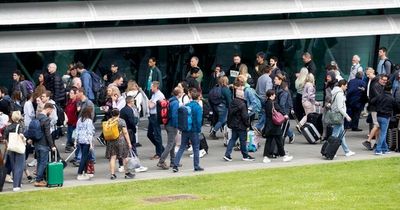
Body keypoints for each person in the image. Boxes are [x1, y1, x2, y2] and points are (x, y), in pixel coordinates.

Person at [173, 90, 204, 172]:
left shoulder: (187, 105)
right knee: (196, 148)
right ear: (198, 98)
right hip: (194, 130)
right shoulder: (198, 107)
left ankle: (175, 164)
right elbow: (198, 120)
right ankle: (196, 166)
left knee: (182, 147)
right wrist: (198, 130)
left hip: (185, 129)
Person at [223, 88, 254, 161]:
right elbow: (245, 117)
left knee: (232, 139)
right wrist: (247, 125)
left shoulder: (232, 102)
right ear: (242, 96)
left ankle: (227, 154)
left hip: (233, 124)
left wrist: (229, 123)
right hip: (241, 125)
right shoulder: (243, 104)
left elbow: (230, 114)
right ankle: (245, 155)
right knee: (243, 140)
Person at [262, 89, 293, 163]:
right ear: (271, 95)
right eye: (274, 94)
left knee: (269, 141)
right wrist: (285, 115)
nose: (275, 95)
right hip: (274, 126)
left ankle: (266, 157)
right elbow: (279, 109)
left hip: (269, 125)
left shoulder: (266, 103)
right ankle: (284, 156)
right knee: (279, 141)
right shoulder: (273, 103)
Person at [105, 109, 135, 180]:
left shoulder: (109, 121)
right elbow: (125, 132)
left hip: (111, 141)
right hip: (120, 141)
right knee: (124, 157)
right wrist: (129, 143)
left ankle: (112, 174)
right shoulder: (121, 121)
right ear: (119, 114)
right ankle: (126, 173)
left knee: (113, 158)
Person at [157, 87, 181, 169]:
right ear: (179, 94)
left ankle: (173, 161)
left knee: (173, 143)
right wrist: (177, 126)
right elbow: (174, 115)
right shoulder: (176, 103)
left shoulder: (170, 100)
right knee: (170, 144)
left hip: (167, 124)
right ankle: (161, 161)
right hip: (172, 125)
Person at [330, 80, 355, 157]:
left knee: (341, 135)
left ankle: (346, 151)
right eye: (346, 86)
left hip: (337, 115)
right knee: (335, 135)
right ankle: (331, 151)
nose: (347, 87)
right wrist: (347, 116)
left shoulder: (335, 92)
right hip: (339, 116)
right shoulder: (340, 94)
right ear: (342, 85)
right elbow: (340, 107)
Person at [372, 83, 399, 155]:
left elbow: (372, 101)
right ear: (391, 90)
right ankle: (378, 149)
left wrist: (377, 107)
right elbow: (397, 107)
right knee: (383, 134)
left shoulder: (379, 96)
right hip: (386, 116)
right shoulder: (391, 98)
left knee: (383, 132)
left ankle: (385, 148)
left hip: (379, 116)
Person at [34, 103, 56, 187]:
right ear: (48, 109)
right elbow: (48, 134)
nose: (51, 112)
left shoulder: (37, 117)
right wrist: (52, 145)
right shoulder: (46, 119)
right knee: (43, 162)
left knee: (39, 161)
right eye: (51, 110)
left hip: (37, 143)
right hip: (43, 144)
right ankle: (38, 180)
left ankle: (39, 178)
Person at [364, 71, 387, 150]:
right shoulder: (376, 86)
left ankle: (376, 143)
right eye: (383, 80)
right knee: (377, 125)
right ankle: (368, 140)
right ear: (379, 79)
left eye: (385, 80)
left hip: (375, 108)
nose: (384, 81)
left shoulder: (377, 85)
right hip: (374, 108)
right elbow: (379, 97)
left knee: (377, 126)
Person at [3, 111, 25, 191]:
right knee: (19, 166)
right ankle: (16, 185)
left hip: (11, 148)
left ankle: (17, 184)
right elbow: (21, 135)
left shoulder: (8, 127)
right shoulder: (20, 126)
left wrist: (8, 145)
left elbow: (4, 139)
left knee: (13, 166)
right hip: (19, 147)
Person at [75, 106, 95, 180]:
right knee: (84, 157)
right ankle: (80, 173)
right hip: (87, 141)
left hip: (80, 140)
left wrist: (75, 140)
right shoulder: (89, 121)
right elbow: (89, 133)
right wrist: (91, 144)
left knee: (86, 157)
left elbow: (77, 130)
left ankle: (86, 172)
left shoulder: (80, 120)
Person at [274, 73, 295, 143]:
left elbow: (282, 103)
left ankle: (284, 138)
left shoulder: (283, 90)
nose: (274, 80)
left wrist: (284, 112)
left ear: (280, 80)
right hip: (281, 109)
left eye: (276, 79)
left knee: (284, 124)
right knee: (283, 124)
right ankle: (289, 136)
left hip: (283, 110)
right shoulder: (278, 87)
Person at [147, 81, 165, 160]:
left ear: (155, 87)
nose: (150, 88)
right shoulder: (154, 94)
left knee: (157, 135)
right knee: (149, 134)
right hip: (151, 116)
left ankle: (159, 153)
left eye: (151, 87)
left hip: (156, 116)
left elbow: (150, 105)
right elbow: (150, 103)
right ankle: (161, 148)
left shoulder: (159, 95)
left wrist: (149, 102)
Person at [254, 65, 273, 134]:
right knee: (266, 114)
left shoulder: (260, 78)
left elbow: (257, 89)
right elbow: (268, 90)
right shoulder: (268, 79)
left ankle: (261, 129)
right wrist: (269, 98)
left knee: (261, 113)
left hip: (259, 98)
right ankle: (258, 126)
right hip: (265, 98)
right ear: (269, 71)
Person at [64, 87, 79, 152]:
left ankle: (70, 146)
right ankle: (69, 146)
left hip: (74, 123)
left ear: (76, 94)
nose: (70, 94)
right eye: (70, 93)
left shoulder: (77, 102)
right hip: (69, 122)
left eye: (72, 93)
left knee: (72, 136)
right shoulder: (69, 102)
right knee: (69, 135)